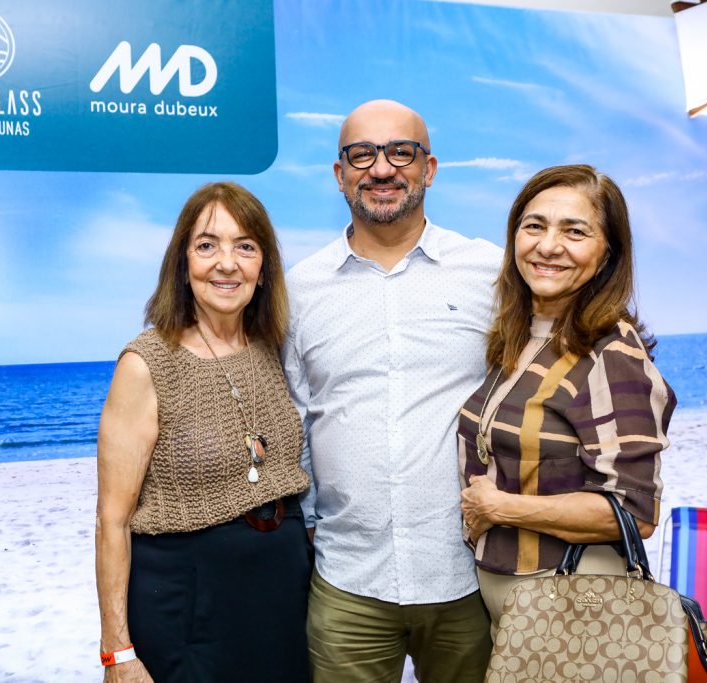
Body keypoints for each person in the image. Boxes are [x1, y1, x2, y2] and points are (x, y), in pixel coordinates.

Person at [282, 99, 502, 682]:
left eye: (400, 151)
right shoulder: (299, 290)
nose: (382, 169)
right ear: (339, 174)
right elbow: (297, 419)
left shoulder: (492, 272)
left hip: (469, 577)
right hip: (348, 581)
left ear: (428, 168)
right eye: (362, 154)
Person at [95, 182, 312, 683]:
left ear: (264, 269)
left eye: (246, 246)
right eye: (207, 245)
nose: (227, 263)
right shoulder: (145, 363)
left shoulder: (269, 347)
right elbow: (112, 520)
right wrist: (117, 652)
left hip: (281, 598)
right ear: (182, 263)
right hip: (186, 605)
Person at [458, 164, 677, 630]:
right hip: (510, 605)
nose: (549, 245)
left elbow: (635, 513)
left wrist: (499, 508)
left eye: (575, 231)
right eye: (534, 226)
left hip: (577, 606)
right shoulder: (519, 336)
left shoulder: (610, 353)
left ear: (608, 253)